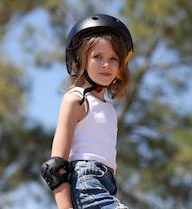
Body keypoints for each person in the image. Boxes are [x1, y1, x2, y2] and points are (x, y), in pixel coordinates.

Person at [40, 13, 134, 209]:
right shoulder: (77, 99)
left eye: (113, 58)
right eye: (97, 57)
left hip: (106, 185)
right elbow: (55, 165)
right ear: (80, 60)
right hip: (86, 184)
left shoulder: (109, 109)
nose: (106, 64)